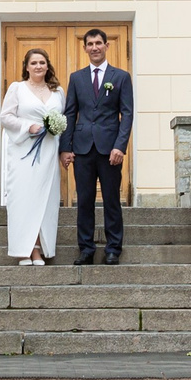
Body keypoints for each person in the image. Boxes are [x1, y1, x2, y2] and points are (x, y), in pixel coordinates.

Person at [59, 27, 133, 264]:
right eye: (90, 44)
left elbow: (127, 114)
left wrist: (120, 146)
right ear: (85, 48)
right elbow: (70, 114)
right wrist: (65, 147)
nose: (94, 48)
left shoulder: (120, 77)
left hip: (110, 149)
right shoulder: (76, 78)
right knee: (85, 200)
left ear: (106, 46)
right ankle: (86, 248)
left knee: (111, 199)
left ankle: (113, 248)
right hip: (82, 149)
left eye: (98, 43)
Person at [0, 48, 65, 266]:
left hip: (48, 152)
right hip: (23, 152)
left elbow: (64, 120)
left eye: (42, 63)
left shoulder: (58, 92)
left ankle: (39, 248)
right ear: (26, 67)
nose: (38, 66)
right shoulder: (17, 88)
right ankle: (25, 250)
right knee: (25, 199)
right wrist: (29, 127)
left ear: (47, 66)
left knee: (45, 201)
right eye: (34, 63)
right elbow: (5, 117)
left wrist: (60, 139)